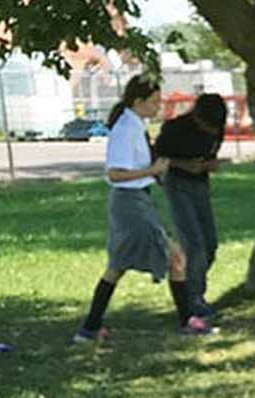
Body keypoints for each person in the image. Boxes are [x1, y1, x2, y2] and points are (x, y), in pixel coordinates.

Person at [74, 75, 215, 343]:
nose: (158, 106)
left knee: (117, 266)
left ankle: (90, 328)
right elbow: (114, 174)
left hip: (136, 200)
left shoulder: (134, 124)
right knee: (176, 258)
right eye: (153, 101)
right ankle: (187, 320)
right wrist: (152, 170)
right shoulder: (126, 129)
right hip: (130, 203)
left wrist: (153, 176)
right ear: (137, 101)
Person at [153, 92, 228, 320]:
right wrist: (184, 165)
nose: (212, 132)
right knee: (194, 244)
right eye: (208, 127)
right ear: (197, 117)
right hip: (177, 184)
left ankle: (190, 287)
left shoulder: (217, 127)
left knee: (210, 244)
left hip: (200, 185)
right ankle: (194, 299)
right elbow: (157, 160)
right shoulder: (174, 129)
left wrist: (209, 165)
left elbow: (211, 154)